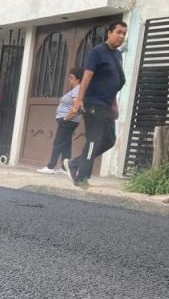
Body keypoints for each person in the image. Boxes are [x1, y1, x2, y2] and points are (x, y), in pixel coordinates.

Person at [68, 20, 128, 188]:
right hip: (93, 103)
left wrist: (114, 105)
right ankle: (82, 177)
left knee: (109, 140)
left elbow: (114, 83)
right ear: (109, 33)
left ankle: (75, 163)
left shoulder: (117, 55)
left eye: (124, 33)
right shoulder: (97, 52)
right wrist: (79, 100)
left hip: (107, 105)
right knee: (94, 140)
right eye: (118, 32)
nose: (121, 36)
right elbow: (86, 77)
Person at [38, 68, 83, 175]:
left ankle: (50, 166)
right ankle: (65, 168)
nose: (69, 80)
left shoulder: (77, 89)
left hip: (68, 121)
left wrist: (66, 118)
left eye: (72, 78)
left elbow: (77, 106)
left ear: (78, 79)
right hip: (70, 121)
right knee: (66, 144)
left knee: (58, 143)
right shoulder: (77, 89)